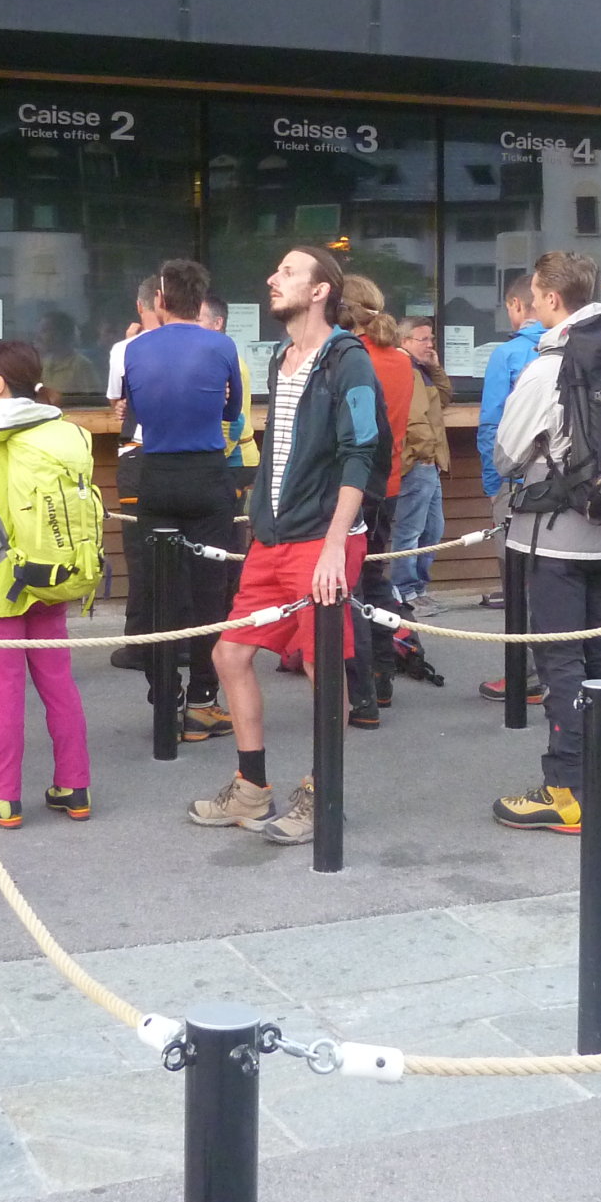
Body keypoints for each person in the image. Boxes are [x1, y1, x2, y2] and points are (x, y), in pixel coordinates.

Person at [188, 246, 386, 847]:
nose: (273, 278)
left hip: (322, 539)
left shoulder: (348, 360)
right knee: (230, 654)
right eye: (276, 270)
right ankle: (252, 787)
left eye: (289, 272)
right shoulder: (282, 358)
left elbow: (362, 453)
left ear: (321, 290)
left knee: (320, 665)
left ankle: (323, 792)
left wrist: (333, 547)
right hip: (273, 537)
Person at [491, 251, 601, 830]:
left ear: (552, 299)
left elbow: (507, 454)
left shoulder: (549, 365)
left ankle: (569, 791)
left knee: (561, 664)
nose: (532, 304)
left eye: (535, 295)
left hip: (556, 540)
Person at [0, 340, 98, 826]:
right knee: (59, 686)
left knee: (3, 695)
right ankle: (74, 786)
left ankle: (1, 795)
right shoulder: (66, 433)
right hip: (51, 576)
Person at [121, 258, 245, 742]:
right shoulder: (222, 344)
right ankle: (202, 701)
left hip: (156, 475)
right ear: (200, 300)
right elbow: (232, 410)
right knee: (210, 592)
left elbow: (133, 407)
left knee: (159, 592)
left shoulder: (135, 348)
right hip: (208, 475)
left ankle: (164, 698)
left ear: (160, 299)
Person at [340, 275, 413, 729]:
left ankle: (363, 685)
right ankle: (383, 675)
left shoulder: (351, 359)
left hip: (354, 485)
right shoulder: (402, 359)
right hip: (389, 483)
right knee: (374, 578)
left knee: (350, 587)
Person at [476, 274, 546, 702]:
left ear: (517, 305)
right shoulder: (578, 348)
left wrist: (493, 486)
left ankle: (527, 677)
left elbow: (492, 427)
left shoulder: (508, 354)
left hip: (518, 484)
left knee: (519, 583)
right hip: (571, 488)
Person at [106, 274, 165, 666]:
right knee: (181, 546)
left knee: (140, 550)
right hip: (184, 458)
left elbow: (116, 400)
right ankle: (185, 641)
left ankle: (142, 643)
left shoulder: (126, 348)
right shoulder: (204, 345)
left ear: (142, 305)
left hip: (137, 453)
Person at [390, 317, 452, 615]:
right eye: (423, 339)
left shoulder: (421, 370)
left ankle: (418, 588)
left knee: (432, 530)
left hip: (430, 463)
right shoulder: (405, 369)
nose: (430, 344)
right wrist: (425, 454)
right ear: (404, 341)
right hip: (418, 462)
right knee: (411, 530)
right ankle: (405, 591)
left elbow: (444, 398)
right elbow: (414, 420)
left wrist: (435, 367)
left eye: (432, 339)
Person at [201, 293, 260, 495]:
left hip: (235, 459)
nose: (192, 326)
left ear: (218, 323)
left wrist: (215, 457)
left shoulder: (229, 362)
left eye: (198, 320)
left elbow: (234, 420)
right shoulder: (211, 359)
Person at [35, 309, 98, 403]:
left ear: (59, 334)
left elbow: (92, 400)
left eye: (44, 331)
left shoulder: (81, 365)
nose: (39, 336)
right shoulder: (44, 363)